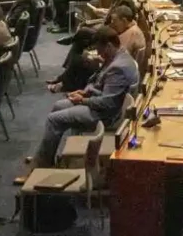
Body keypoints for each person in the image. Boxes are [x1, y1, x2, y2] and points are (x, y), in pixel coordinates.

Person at [25, 27, 139, 172]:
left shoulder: (118, 68)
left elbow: (107, 103)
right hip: (100, 102)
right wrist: (85, 92)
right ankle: (45, 156)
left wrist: (82, 100)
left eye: (99, 49)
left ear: (109, 46)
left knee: (54, 120)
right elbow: (100, 84)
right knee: (58, 106)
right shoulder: (118, 56)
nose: (98, 53)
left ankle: (41, 165)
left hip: (106, 115)